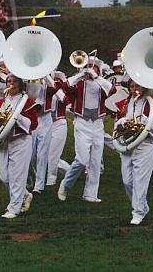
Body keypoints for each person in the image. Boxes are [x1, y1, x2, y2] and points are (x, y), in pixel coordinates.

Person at [57, 57, 115, 203]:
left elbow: (112, 90)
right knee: (82, 159)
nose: (90, 69)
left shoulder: (101, 84)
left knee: (95, 161)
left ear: (98, 69)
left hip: (98, 124)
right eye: (87, 66)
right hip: (82, 123)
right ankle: (65, 185)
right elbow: (65, 85)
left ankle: (90, 193)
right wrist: (80, 74)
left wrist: (96, 77)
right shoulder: (79, 83)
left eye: (93, 67)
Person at [0, 75, 39, 219]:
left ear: (21, 84)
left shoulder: (26, 102)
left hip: (21, 141)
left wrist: (17, 117)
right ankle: (25, 195)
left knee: (17, 176)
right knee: (4, 176)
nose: (11, 84)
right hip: (4, 142)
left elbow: (33, 124)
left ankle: (14, 208)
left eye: (14, 81)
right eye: (8, 81)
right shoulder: (0, 102)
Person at [114, 80, 153, 225]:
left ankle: (138, 213)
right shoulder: (125, 103)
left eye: (137, 86)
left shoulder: (150, 102)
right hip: (128, 144)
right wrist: (121, 122)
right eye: (132, 87)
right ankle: (143, 206)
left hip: (145, 145)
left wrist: (147, 122)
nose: (134, 89)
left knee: (140, 181)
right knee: (127, 181)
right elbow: (116, 125)